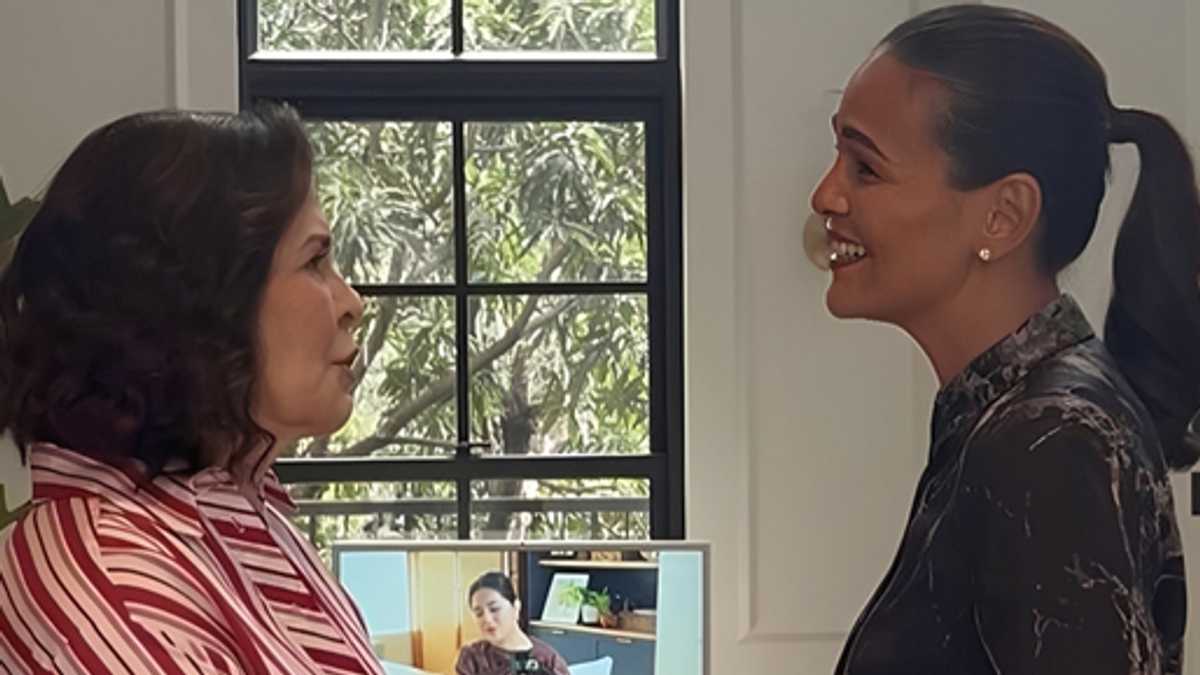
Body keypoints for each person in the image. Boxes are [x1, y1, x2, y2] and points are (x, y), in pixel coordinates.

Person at [810, 5, 1199, 674]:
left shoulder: (1049, 443)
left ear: (1003, 215)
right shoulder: (1016, 419)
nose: (826, 194)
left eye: (865, 167)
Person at [0, 105, 383, 673]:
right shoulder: (114, 580)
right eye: (315, 261)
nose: (352, 302)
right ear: (202, 300)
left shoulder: (238, 516)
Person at [456, 572, 570, 675]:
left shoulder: (548, 661)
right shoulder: (472, 657)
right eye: (479, 613)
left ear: (516, 607)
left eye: (494, 609)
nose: (487, 619)